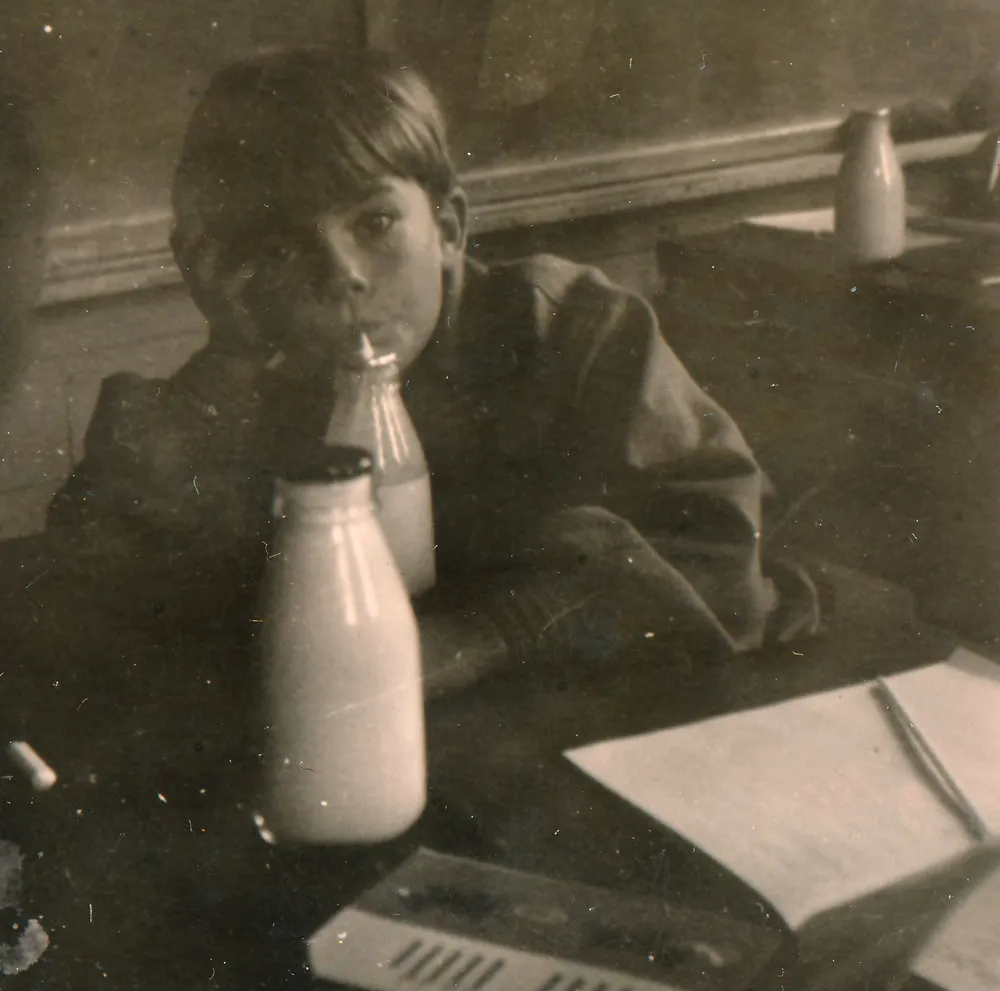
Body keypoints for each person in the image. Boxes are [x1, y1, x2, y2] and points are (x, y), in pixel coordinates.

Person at [49, 46, 820, 695]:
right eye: (283, 248)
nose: (344, 274)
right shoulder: (249, 378)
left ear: (448, 228)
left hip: (644, 706)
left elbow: (718, 550)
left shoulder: (570, 325)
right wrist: (228, 358)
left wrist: (484, 634)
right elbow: (87, 586)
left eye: (375, 222)